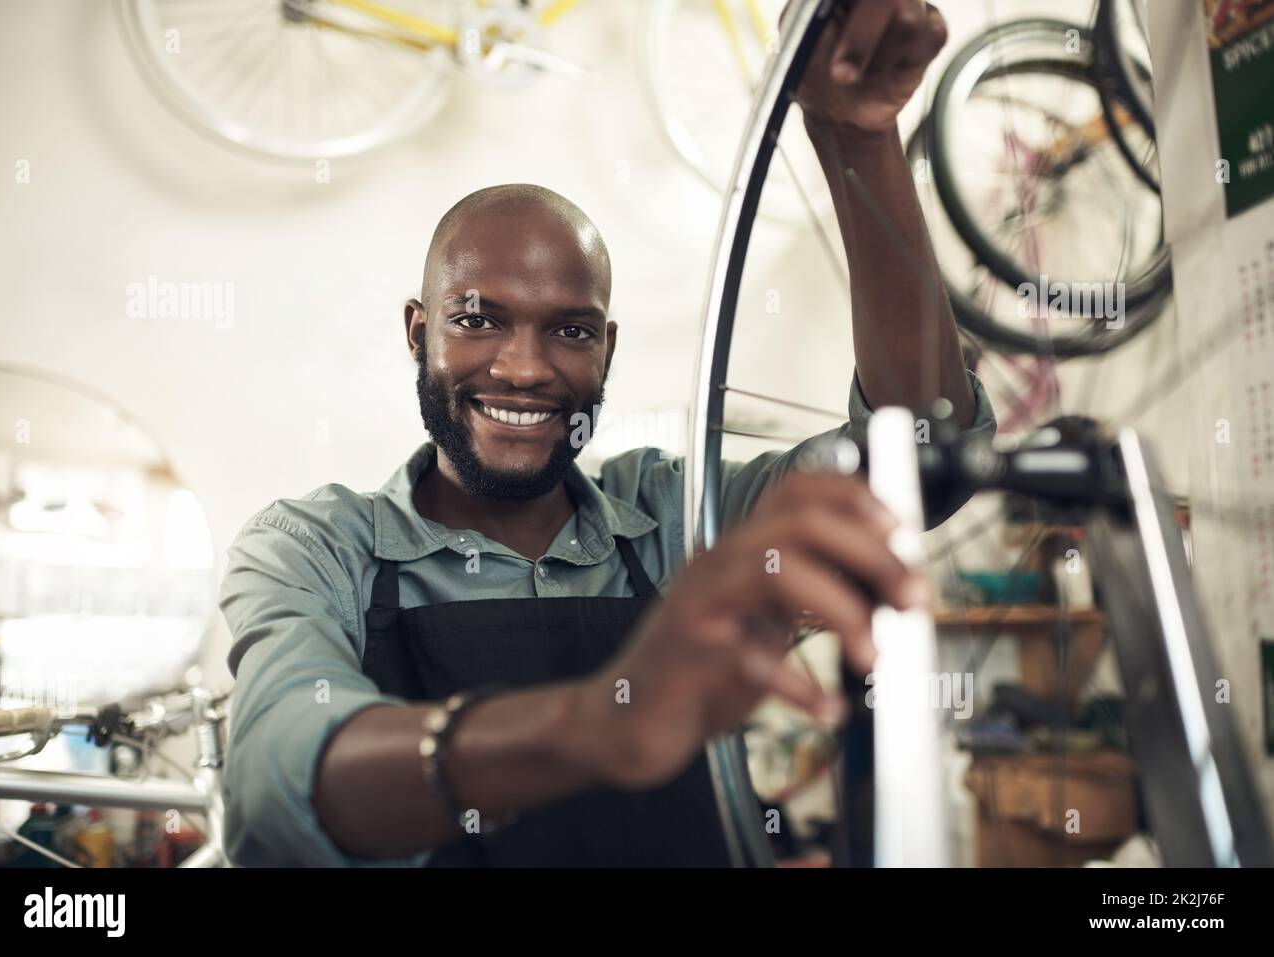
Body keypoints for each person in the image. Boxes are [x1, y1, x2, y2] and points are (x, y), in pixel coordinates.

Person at [218, 0, 996, 866]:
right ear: (417, 332)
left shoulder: (680, 515)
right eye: (478, 320)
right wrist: (597, 721)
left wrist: (857, 140)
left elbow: (923, 455)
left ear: (607, 347)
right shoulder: (313, 547)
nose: (523, 368)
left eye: (571, 330)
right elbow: (273, 789)